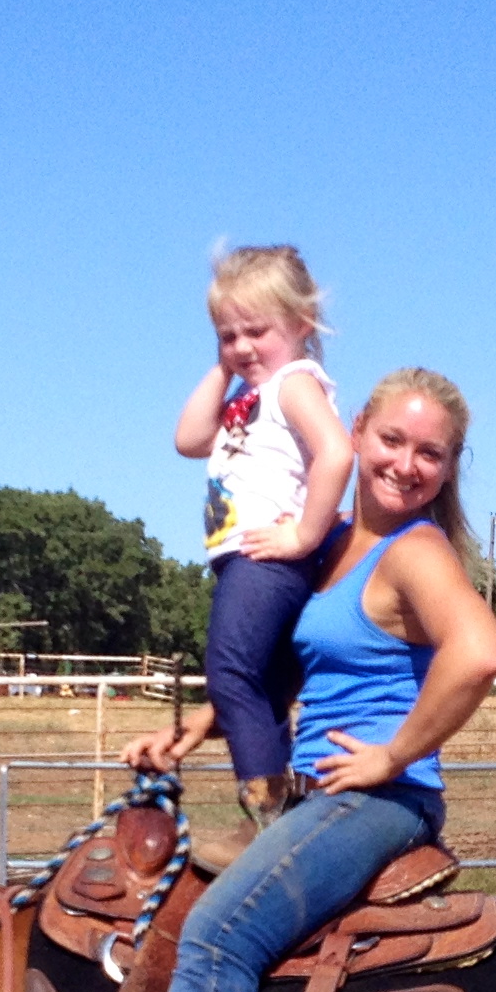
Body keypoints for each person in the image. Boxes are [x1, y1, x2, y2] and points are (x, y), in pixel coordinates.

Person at [75, 367, 496, 992]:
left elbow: (479, 651)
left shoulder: (414, 553)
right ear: (357, 432)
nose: (406, 464)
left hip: (377, 800)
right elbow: (285, 675)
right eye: (392, 441)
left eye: (431, 453)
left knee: (225, 933)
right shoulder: (333, 544)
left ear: (450, 468)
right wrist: (195, 731)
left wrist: (395, 751)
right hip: (316, 796)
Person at [176, 245, 355, 841]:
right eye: (228, 335)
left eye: (257, 330)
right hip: (245, 559)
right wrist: (225, 369)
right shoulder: (248, 398)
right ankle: (281, 800)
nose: (243, 346)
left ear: (302, 326)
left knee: (229, 675)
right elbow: (188, 438)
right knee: (266, 685)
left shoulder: (293, 384)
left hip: (267, 556)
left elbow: (337, 451)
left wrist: (305, 531)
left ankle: (269, 816)